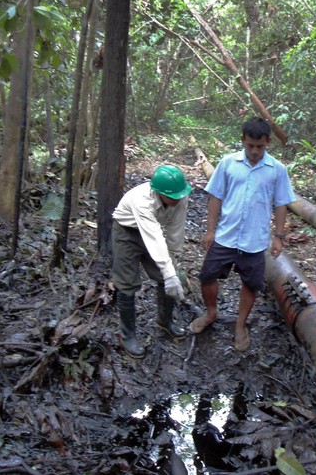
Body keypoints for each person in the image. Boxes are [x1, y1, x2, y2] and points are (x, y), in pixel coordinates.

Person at [190, 117, 296, 351]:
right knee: (207, 275)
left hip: (254, 240)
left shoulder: (277, 170)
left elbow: (281, 204)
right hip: (226, 236)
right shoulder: (228, 163)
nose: (255, 151)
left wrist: (278, 236)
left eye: (260, 146)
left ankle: (240, 324)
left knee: (251, 283)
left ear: (268, 142)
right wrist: (210, 230)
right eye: (250, 146)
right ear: (243, 141)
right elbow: (215, 196)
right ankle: (211, 313)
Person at [111, 165, 192, 358]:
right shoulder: (142, 201)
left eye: (179, 195)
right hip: (127, 232)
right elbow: (154, 236)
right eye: (172, 196)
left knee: (165, 276)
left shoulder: (181, 196)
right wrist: (170, 272)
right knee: (126, 283)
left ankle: (165, 321)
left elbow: (175, 230)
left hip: (151, 231)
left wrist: (172, 264)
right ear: (158, 192)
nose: (177, 199)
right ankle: (128, 335)